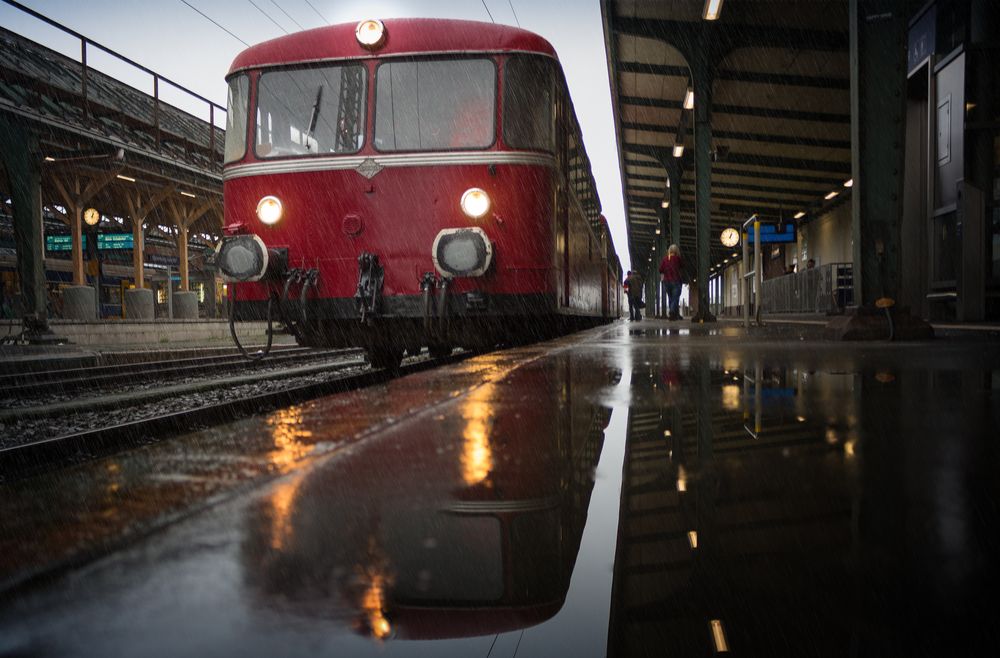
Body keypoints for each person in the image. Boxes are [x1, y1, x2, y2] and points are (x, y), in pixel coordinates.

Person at [659, 244, 684, 321]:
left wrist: (666, 270)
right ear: (677, 251)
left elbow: (660, 269)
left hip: (667, 282)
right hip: (676, 280)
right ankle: (672, 311)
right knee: (675, 298)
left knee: (671, 298)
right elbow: (682, 266)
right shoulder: (677, 259)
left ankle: (674, 315)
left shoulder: (665, 259)